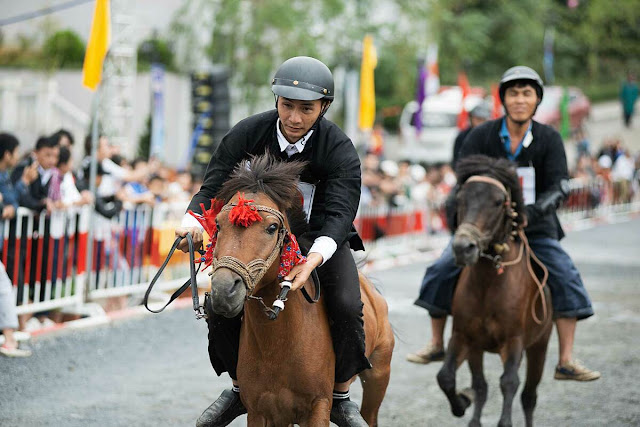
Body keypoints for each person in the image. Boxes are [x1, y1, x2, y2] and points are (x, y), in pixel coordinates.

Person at [175, 56, 370, 427]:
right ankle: (238, 388)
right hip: (254, 241)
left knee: (346, 304)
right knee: (219, 302)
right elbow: (212, 185)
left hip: (318, 241)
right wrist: (190, 220)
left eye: (306, 109)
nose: (295, 118)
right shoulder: (248, 133)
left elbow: (340, 213)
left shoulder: (339, 148)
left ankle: (341, 395)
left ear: (324, 108)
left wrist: (312, 259)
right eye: (288, 106)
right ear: (276, 101)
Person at [408, 65, 601, 382]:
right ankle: (436, 343)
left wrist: (532, 213)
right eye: (513, 93)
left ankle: (566, 359)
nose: (520, 99)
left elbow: (559, 186)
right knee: (441, 268)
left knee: (565, 274)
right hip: (483, 226)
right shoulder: (480, 136)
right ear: (504, 99)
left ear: (536, 100)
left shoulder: (550, 138)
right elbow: (463, 181)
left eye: (527, 93)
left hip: (533, 227)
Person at [0, 133, 32, 357]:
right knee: (3, 288)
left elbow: (11, 201)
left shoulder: (5, 176)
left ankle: (10, 337)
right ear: (7, 153)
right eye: (16, 151)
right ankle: (9, 339)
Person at [451, 100, 491, 167]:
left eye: (483, 119)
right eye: (478, 119)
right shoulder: (463, 136)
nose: (480, 123)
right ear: (471, 118)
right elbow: (457, 159)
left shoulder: (491, 136)